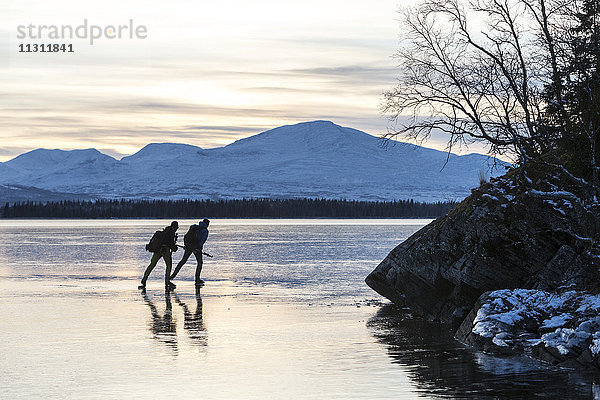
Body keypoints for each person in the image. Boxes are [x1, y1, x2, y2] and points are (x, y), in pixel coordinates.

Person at [139, 221, 179, 290]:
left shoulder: (165, 231)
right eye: (177, 227)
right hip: (165, 250)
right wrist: (174, 248)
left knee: (152, 264)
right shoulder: (171, 231)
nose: (177, 229)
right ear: (175, 227)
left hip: (158, 249)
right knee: (169, 265)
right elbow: (169, 242)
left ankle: (144, 279)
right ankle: (167, 281)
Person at [170, 218, 210, 286]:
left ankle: (172, 276)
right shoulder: (205, 231)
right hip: (196, 248)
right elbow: (202, 241)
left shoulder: (193, 227)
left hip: (188, 246)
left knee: (183, 261)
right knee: (200, 263)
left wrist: (187, 246)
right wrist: (198, 249)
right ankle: (197, 279)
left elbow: (186, 236)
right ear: (207, 224)